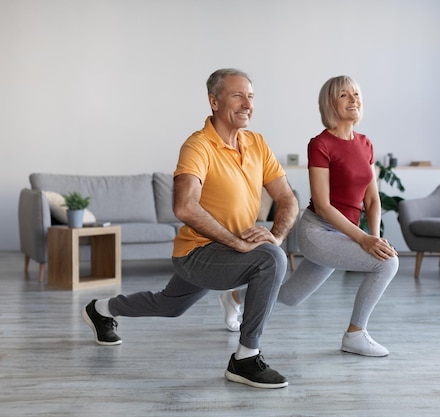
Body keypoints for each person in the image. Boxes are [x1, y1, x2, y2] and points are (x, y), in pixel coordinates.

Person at [81, 68, 299, 389]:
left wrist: (277, 235)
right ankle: (245, 358)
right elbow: (184, 206)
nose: (247, 104)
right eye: (237, 95)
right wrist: (239, 244)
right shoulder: (198, 146)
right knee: (271, 259)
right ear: (214, 101)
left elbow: (287, 198)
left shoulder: (256, 143)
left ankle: (100, 309)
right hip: (198, 252)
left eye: (250, 96)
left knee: (168, 305)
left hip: (227, 252)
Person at [220, 75, 399, 357]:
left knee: (291, 296)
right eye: (344, 95)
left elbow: (372, 198)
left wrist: (374, 239)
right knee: (388, 264)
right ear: (330, 103)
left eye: (356, 94)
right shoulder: (320, 144)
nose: (353, 99)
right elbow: (325, 205)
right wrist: (364, 240)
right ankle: (355, 335)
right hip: (317, 232)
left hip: (344, 233)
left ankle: (234, 297)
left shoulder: (365, 144)